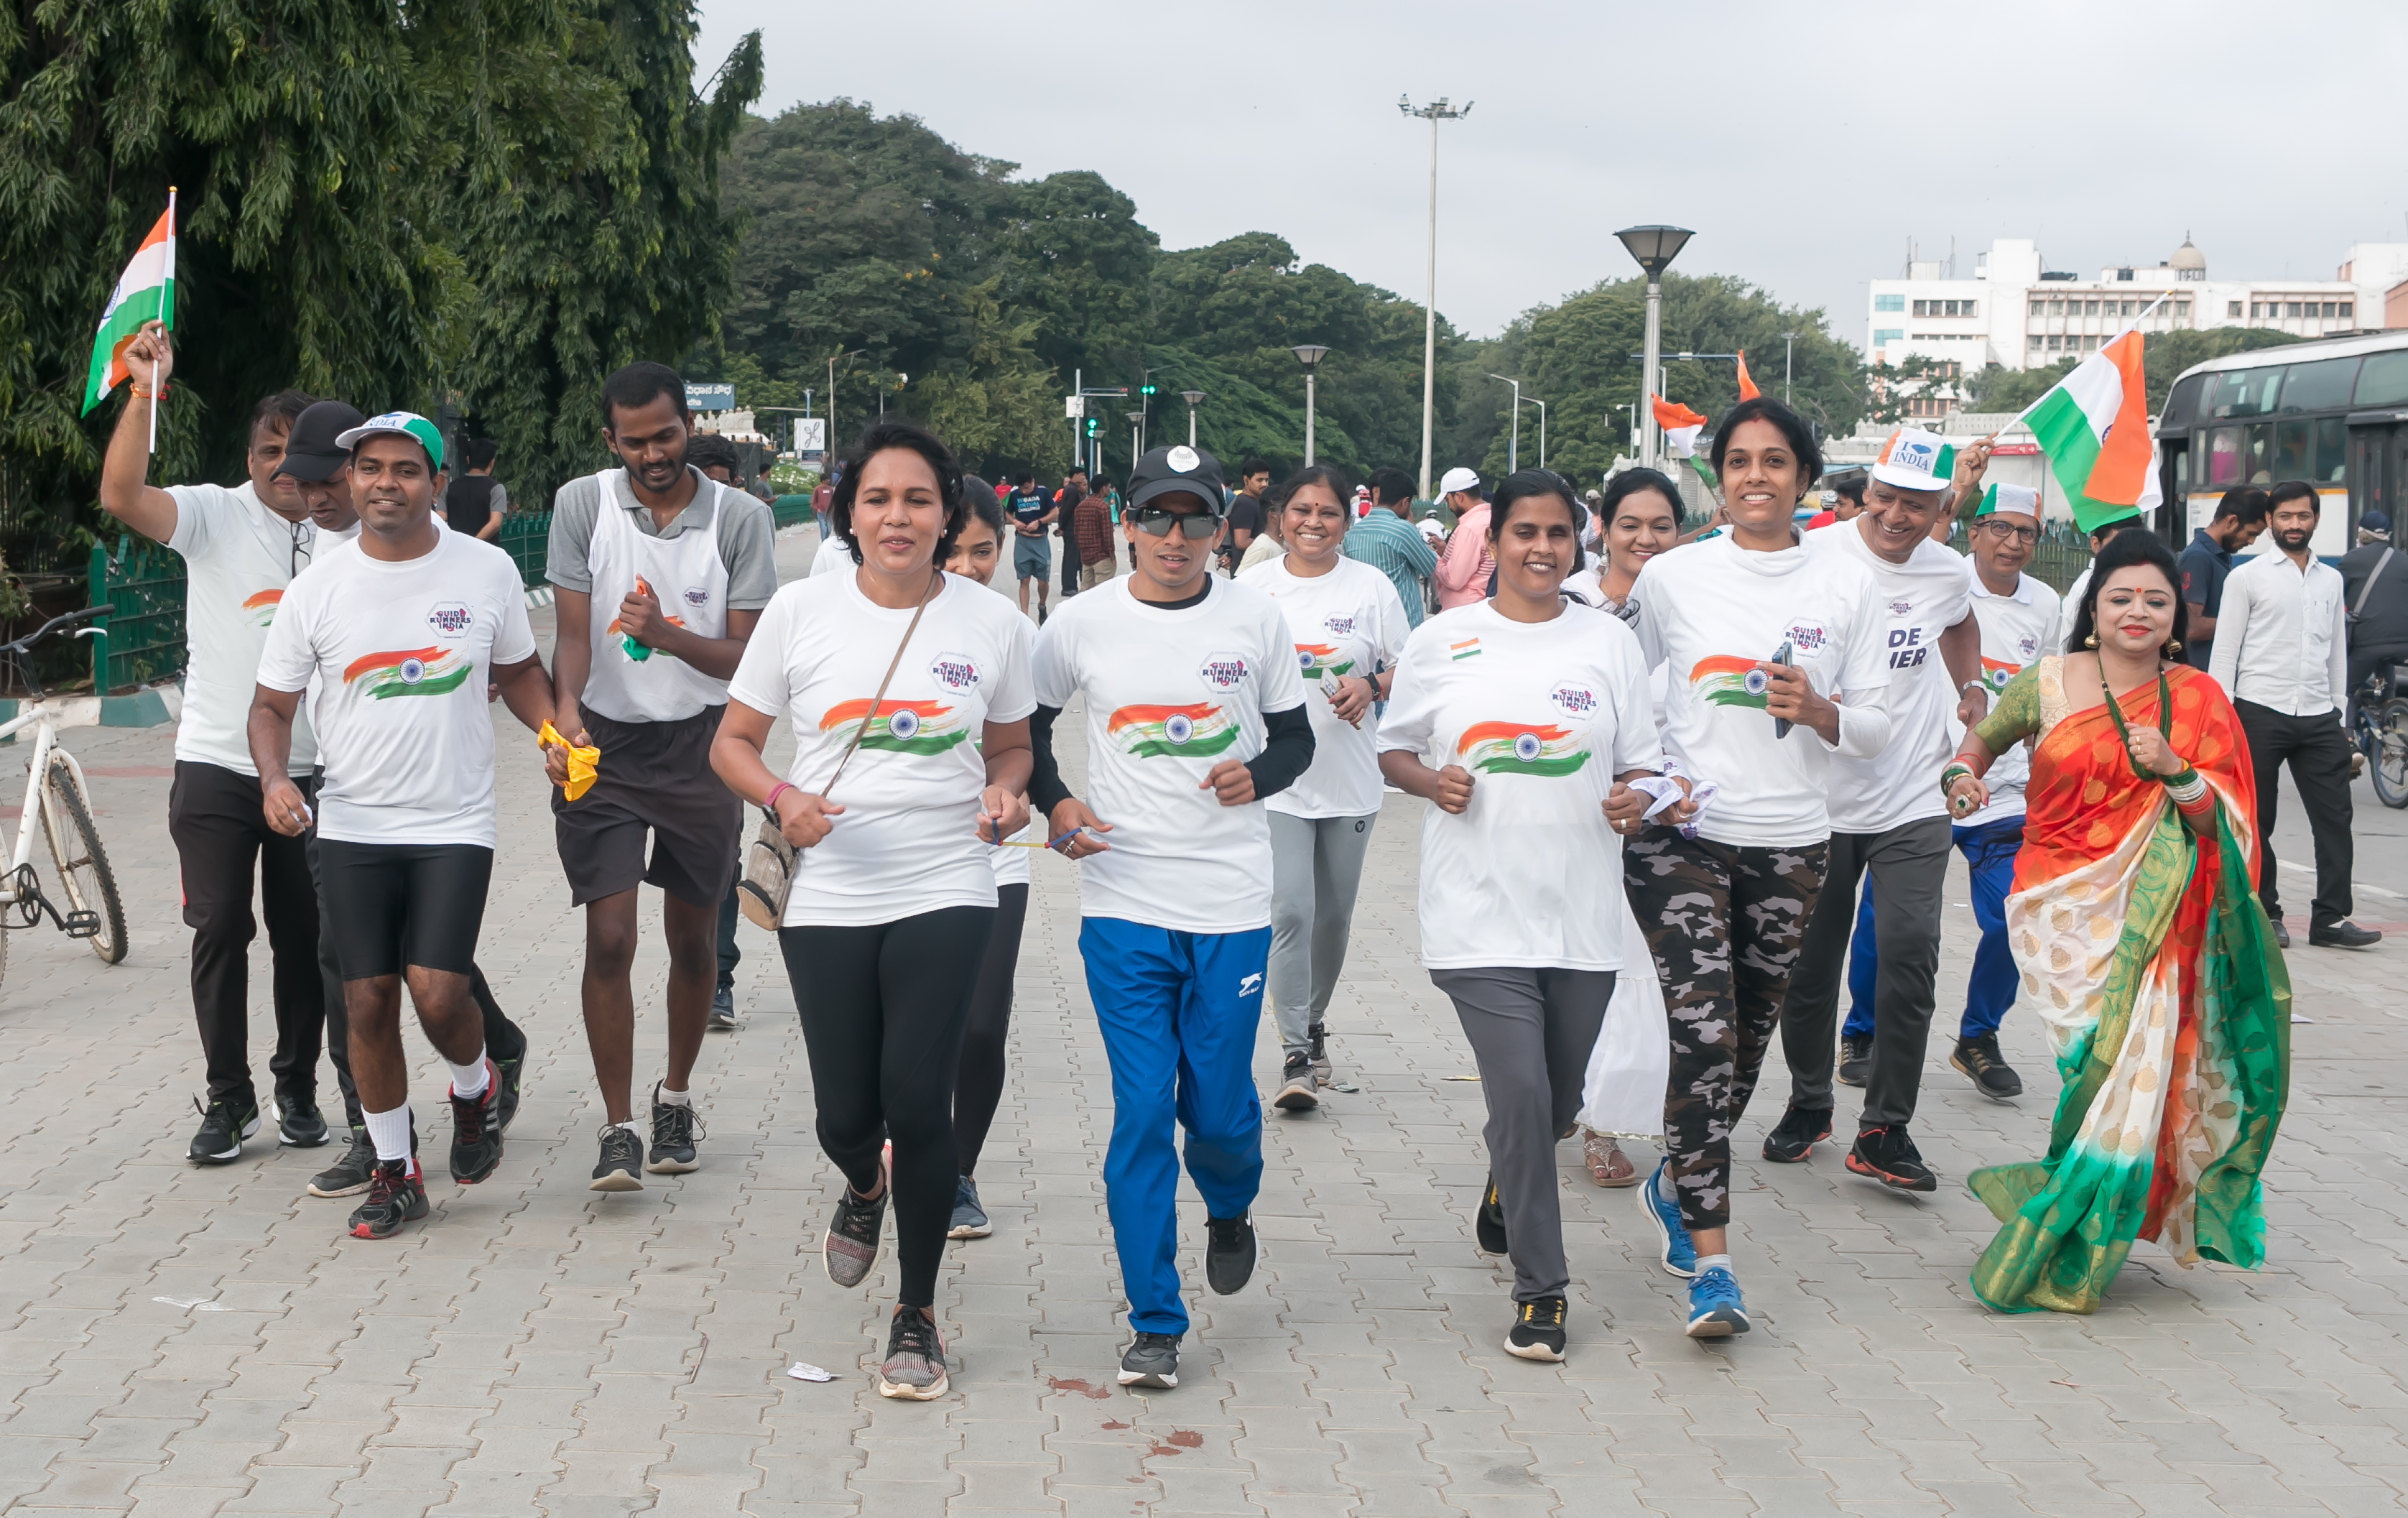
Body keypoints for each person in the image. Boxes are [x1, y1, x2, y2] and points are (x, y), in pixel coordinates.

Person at [712, 420, 1034, 1402]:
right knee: (845, 1114)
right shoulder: (801, 611)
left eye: (919, 500)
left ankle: (917, 1313)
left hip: (949, 880)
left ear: (948, 513)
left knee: (917, 1101)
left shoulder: (991, 623)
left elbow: (1012, 745)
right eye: (879, 499)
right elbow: (732, 742)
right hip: (830, 886)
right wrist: (782, 798)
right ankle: (864, 1180)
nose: (899, 517)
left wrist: (1008, 792)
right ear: (847, 512)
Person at [1945, 527, 2289, 1315]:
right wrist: (1960, 776)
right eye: (2121, 597)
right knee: (2087, 1063)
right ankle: (2079, 1197)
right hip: (2057, 906)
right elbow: (1981, 744)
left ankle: (2077, 1228)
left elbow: (2227, 826)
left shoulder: (2199, 700)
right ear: (2093, 610)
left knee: (2131, 1072)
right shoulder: (2048, 681)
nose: (2138, 611)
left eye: (2155, 601)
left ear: (2175, 619)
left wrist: (2175, 769)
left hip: (2157, 913)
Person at [1029, 443, 1312, 1392]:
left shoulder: (1254, 617)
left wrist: (1256, 776)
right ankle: (1155, 1318)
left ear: (1221, 528)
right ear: (1129, 521)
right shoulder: (1080, 622)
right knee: (1146, 1111)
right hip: (1123, 905)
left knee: (1219, 1116)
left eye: (1196, 519)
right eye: (1157, 516)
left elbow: (1296, 739)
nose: (1175, 537)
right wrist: (1057, 803)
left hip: (1229, 905)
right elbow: (1024, 728)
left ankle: (1229, 1204)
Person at [249, 412, 562, 1239]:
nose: (386, 482)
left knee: (437, 991)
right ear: (351, 480)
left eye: (405, 468)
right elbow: (271, 706)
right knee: (366, 1002)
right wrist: (275, 778)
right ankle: (396, 1171)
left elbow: (519, 672)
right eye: (370, 468)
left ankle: (475, 1088)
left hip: (455, 818)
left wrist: (554, 733)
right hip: (352, 822)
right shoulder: (318, 587)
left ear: (436, 481)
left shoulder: (486, 570)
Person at [1379, 472, 1667, 1363]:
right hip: (1475, 912)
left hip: (1581, 913)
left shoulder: (1607, 644)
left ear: (1576, 544)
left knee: (1560, 1100)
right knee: (1522, 1092)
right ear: (1494, 539)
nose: (1541, 549)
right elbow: (1394, 749)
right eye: (1523, 532)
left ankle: (1510, 1178)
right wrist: (1431, 781)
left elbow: (1645, 764)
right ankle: (1542, 1291)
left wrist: (1636, 798)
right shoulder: (1442, 639)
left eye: (1557, 534)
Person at [1624, 397, 1892, 1338]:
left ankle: (1674, 1180)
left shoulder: (1848, 584)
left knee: (1742, 1051)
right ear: (1718, 476)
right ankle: (1714, 1267)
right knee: (1703, 1036)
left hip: (1792, 843)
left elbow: (1877, 727)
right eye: (1738, 460)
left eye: (1775, 461)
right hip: (1683, 839)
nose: (1756, 477)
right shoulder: (1672, 576)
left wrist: (1821, 711)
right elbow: (1626, 694)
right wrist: (1648, 783)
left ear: (1804, 477)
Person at [93, 324, 331, 1165]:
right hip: (216, 769)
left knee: (307, 939)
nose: (283, 467)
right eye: (268, 451)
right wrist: (143, 391)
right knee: (222, 926)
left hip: (315, 773)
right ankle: (229, 1098)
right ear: (250, 457)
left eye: (297, 452)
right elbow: (122, 495)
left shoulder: (350, 531)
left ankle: (297, 1087)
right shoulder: (213, 514)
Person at [547, 362, 779, 1191]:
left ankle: (674, 1097)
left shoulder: (742, 519)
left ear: (690, 428)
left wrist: (668, 634)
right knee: (609, 936)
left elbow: (748, 657)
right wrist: (564, 713)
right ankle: (618, 1128)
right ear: (611, 440)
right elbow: (573, 635)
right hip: (604, 747)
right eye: (635, 441)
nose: (653, 454)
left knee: (692, 940)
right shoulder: (582, 505)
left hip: (703, 747)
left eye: (667, 436)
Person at [1767, 428, 1985, 1194]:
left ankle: (1886, 1127)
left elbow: (1959, 620)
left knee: (1909, 952)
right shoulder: (1813, 556)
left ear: (1939, 508)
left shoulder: (1947, 568)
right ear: (1864, 493)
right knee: (1810, 965)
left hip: (1913, 795)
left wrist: (1972, 687)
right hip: (1818, 796)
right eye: (1885, 498)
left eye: (1916, 506)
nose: (1896, 517)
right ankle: (1809, 1101)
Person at [1837, 482, 2064, 1103]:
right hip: (1919, 787)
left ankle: (1979, 1036)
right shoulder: (1939, 572)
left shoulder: (2047, 603)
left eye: (2026, 531)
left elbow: (2046, 692)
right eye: (1999, 527)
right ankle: (1862, 1032)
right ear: (1972, 529)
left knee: (2016, 915)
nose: (2012, 542)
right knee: (1887, 924)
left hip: (2001, 793)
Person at [1241, 466, 1409, 1109]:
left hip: (1350, 779)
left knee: (1332, 919)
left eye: (1328, 512)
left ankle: (1313, 1023)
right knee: (1290, 911)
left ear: (1347, 520)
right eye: (1302, 510)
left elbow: (1409, 664)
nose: (1314, 522)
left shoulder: (1370, 587)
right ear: (1281, 516)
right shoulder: (1253, 589)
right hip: (1278, 782)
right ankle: (1295, 1054)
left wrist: (1371, 685)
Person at [1568, 468, 1685, 1189]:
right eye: (1630, 525)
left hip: (1665, 817)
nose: (1646, 539)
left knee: (1637, 970)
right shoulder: (1569, 603)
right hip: (1573, 811)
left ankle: (1604, 1119)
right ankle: (1564, 1090)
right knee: (1572, 965)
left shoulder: (1697, 606)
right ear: (1603, 529)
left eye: (1661, 526)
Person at [2210, 481, 2379, 950]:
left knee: (2335, 817)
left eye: (2303, 516)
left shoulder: (2331, 580)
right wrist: (2224, 715)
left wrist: (2340, 711)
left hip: (2319, 714)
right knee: (2257, 819)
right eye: (2285, 516)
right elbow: (2225, 650)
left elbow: (2336, 650)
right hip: (2258, 709)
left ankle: (2330, 918)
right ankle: (2267, 912)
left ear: (2316, 520)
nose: (2294, 524)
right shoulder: (2246, 577)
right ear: (2270, 521)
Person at [939, 481, 1035, 1244]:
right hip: (892, 859)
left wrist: (1030, 795)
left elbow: (1030, 743)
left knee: (980, 1025)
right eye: (955, 551)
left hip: (994, 853)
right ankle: (887, 1154)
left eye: (984, 551)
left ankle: (957, 1173)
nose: (969, 567)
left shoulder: (1010, 629)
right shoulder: (871, 619)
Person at [681, 432, 752, 1032]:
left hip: (721, 724)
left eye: (721, 482)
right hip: (632, 732)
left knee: (722, 864)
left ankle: (718, 979)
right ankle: (693, 971)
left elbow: (751, 645)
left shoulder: (743, 529)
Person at [2177, 486, 2269, 672]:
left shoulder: (2219, 557)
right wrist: (2248, 620)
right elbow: (2191, 627)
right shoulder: (2197, 557)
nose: (2251, 542)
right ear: (2232, 521)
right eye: (2251, 533)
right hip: (2201, 675)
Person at [1344, 467, 1440, 629]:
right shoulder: (1403, 529)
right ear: (1405, 502)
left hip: (1366, 623)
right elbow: (1429, 567)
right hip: (1403, 622)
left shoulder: (1352, 533)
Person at [2340, 509, 2408, 731]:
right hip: (2403, 643)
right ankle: (2389, 714)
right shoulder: (2403, 560)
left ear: (2361, 534)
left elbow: (2334, 595)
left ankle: (2349, 739)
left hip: (2368, 643)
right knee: (2384, 656)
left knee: (2345, 690)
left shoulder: (2351, 559)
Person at [1432, 467, 1493, 611]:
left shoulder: (1469, 528)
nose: (1449, 506)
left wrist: (1432, 558)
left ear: (1459, 497)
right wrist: (1446, 552)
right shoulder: (1490, 518)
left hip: (1464, 609)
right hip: (1480, 604)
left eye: (1448, 500)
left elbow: (1454, 580)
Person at [1007, 472, 1057, 621]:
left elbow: (1054, 512)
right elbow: (1007, 512)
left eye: (1027, 487)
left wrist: (1039, 522)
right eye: (1022, 488)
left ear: (1033, 482)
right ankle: (1025, 616)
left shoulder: (1043, 493)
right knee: (1024, 580)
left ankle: (1042, 605)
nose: (1024, 491)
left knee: (1043, 580)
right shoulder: (1015, 495)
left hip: (1040, 540)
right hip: (1023, 541)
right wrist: (1015, 521)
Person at [442, 439, 509, 542]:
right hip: (487, 549)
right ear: (492, 462)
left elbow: (441, 516)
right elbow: (495, 523)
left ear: (468, 460)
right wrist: (473, 544)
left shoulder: (450, 487)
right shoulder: (496, 488)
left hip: (456, 547)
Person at [1222, 458, 1270, 573]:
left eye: (1266, 480)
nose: (1264, 484)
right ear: (1246, 480)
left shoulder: (1254, 502)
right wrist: (1272, 544)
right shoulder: (1245, 504)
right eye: (1259, 480)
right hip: (1247, 572)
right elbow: (1241, 542)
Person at [1073, 481, 1116, 591]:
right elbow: (1107, 534)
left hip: (1086, 556)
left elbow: (1076, 532)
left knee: (1086, 591)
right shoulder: (1103, 507)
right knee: (1103, 590)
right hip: (1101, 555)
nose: (1109, 490)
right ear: (1103, 488)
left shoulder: (1080, 507)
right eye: (1108, 487)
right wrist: (1111, 554)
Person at [1057, 468, 1088, 598]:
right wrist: (1062, 527)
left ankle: (1072, 586)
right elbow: (1067, 510)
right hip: (1072, 528)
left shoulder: (1072, 489)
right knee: (1071, 558)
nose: (1083, 477)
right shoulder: (1072, 490)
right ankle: (1068, 587)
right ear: (1074, 476)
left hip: (1073, 528)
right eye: (1081, 475)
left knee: (1074, 557)